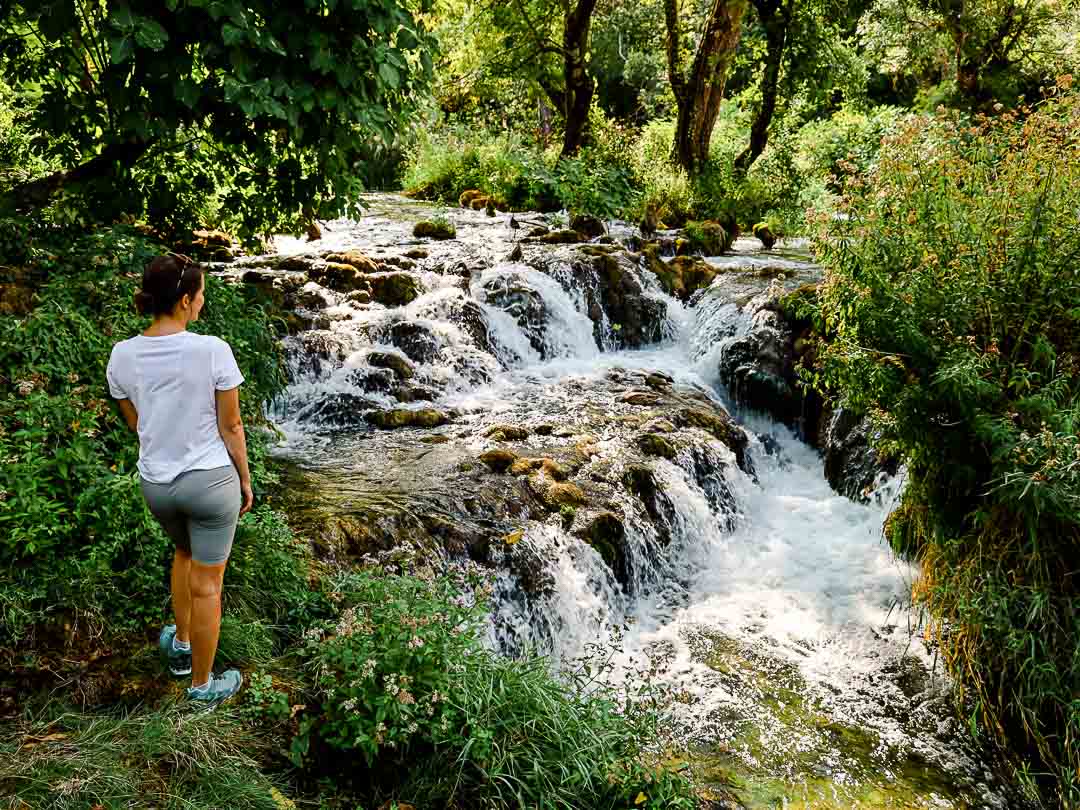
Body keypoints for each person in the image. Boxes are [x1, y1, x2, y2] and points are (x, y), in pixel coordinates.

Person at [106, 254, 253, 705]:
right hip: (209, 483)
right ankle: (202, 687)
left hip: (158, 486)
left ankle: (182, 647)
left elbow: (137, 423)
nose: (203, 301)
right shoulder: (211, 350)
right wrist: (244, 481)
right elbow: (231, 427)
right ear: (186, 300)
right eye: (202, 294)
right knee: (209, 584)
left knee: (184, 550)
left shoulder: (123, 354)